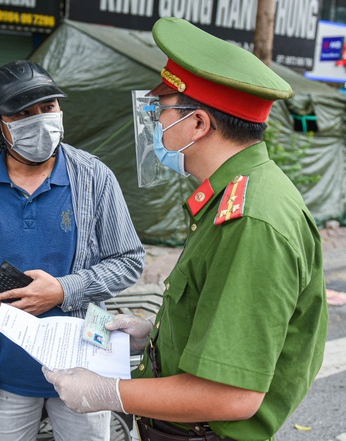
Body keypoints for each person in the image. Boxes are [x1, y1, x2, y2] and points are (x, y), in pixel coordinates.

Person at [43, 18, 328, 441]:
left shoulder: (250, 221)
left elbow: (232, 396)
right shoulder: (234, 195)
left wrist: (107, 391)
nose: (155, 125)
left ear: (197, 124)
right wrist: (153, 334)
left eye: (161, 112)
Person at [0, 59, 145, 440]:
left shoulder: (94, 176)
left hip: (85, 367)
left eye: (48, 108)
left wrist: (64, 289)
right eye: (23, 113)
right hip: (3, 375)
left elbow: (129, 260)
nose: (40, 121)